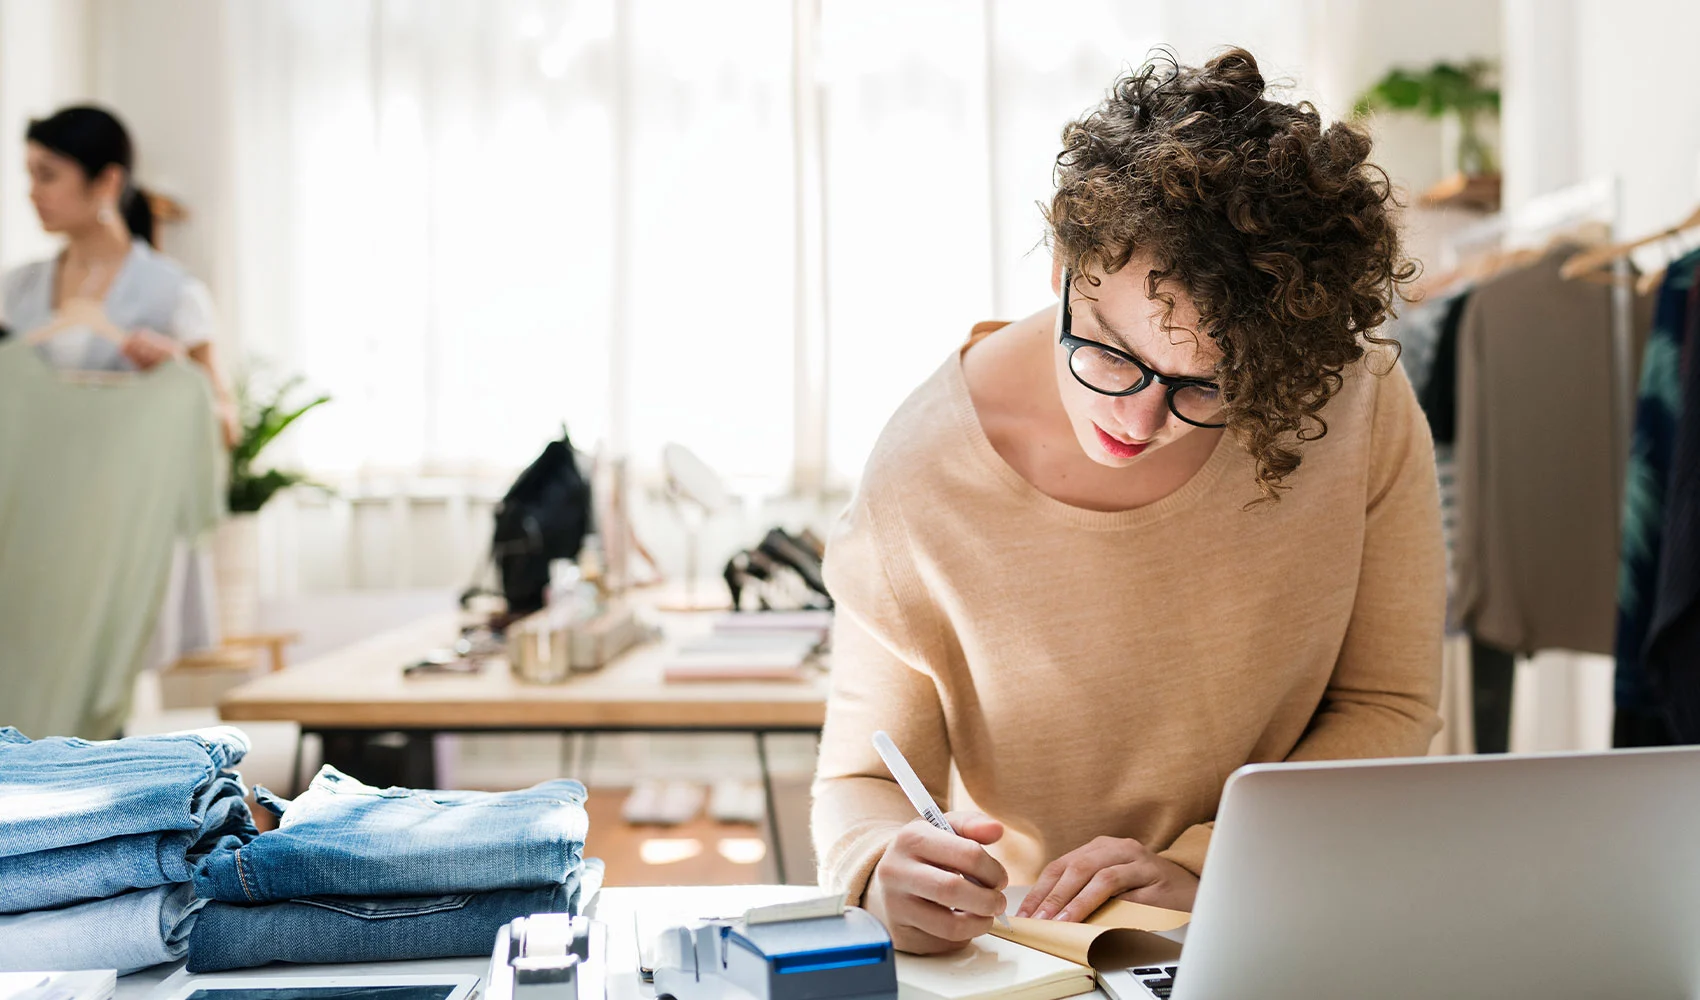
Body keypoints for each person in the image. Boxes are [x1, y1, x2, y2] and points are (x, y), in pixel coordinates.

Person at [810, 48, 1444, 955]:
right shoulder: (919, 478)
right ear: (1065, 262)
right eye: (1111, 353)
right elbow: (862, 780)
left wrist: (1210, 863)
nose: (1140, 419)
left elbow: (1387, 703)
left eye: (1209, 386)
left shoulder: (1352, 400)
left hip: (1292, 917)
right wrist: (880, 870)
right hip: (1033, 953)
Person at [1, 105, 236, 445]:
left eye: (48, 175)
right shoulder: (14, 289)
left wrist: (178, 373)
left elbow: (227, 430)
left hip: (134, 495)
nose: (32, 192)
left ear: (107, 181)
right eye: (30, 176)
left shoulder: (177, 293)